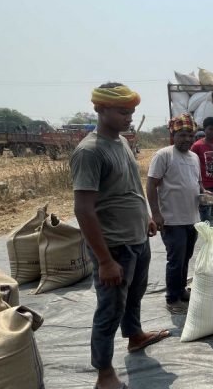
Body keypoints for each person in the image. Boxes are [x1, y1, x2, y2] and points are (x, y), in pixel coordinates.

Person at [71, 82, 167, 389]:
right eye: (123, 112)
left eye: (132, 112)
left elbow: (130, 186)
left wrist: (146, 218)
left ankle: (135, 336)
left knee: (135, 295)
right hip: (114, 246)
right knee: (109, 310)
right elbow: (84, 210)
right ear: (100, 109)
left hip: (137, 237)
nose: (129, 117)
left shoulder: (122, 141)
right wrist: (104, 261)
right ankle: (104, 374)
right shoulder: (90, 151)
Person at [146, 113, 204, 315]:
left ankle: (180, 290)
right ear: (173, 135)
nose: (187, 139)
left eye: (190, 134)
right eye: (182, 135)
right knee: (176, 259)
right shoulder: (164, 155)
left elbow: (196, 183)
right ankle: (172, 298)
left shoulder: (194, 157)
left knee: (186, 257)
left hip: (192, 218)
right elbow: (151, 184)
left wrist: (204, 193)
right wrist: (156, 214)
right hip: (172, 219)